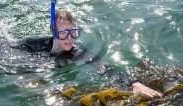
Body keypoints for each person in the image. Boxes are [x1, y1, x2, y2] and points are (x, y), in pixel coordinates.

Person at [16, 10, 161, 98]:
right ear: (53, 33)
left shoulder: (78, 50)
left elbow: (104, 69)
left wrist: (134, 84)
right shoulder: (32, 44)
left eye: (73, 32)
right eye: (63, 33)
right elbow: (15, 59)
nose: (69, 38)